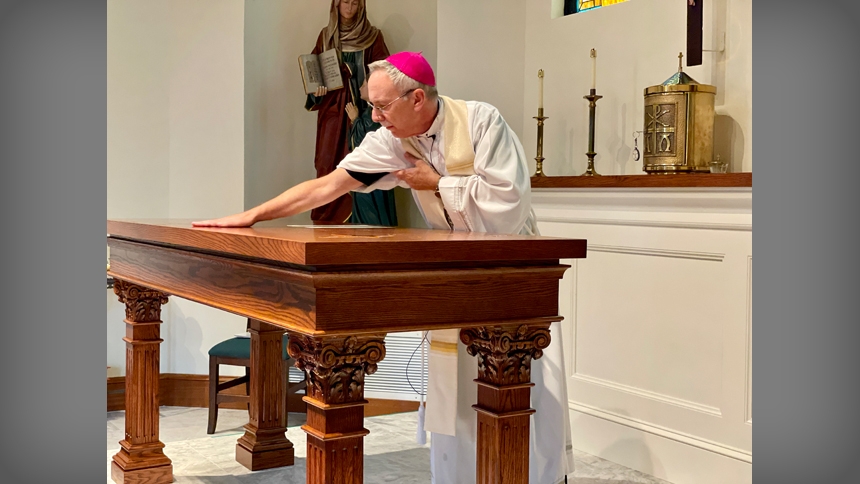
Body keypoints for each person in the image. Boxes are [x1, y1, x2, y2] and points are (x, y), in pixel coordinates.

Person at [193, 51, 574, 484]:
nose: (374, 117)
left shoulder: (481, 121)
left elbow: (509, 204)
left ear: (416, 98)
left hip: (517, 277)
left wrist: (438, 183)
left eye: (382, 106)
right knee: (459, 394)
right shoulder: (392, 140)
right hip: (458, 275)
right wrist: (255, 215)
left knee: (525, 391)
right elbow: (328, 186)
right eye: (372, 106)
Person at [305, 0, 390, 224]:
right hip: (333, 111)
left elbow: (384, 73)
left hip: (361, 112)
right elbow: (313, 73)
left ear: (361, 6)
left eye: (355, 3)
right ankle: (327, 222)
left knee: (361, 163)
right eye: (345, 2)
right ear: (336, 5)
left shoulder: (372, 36)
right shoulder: (326, 37)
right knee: (327, 162)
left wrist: (355, 75)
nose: (349, 8)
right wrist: (318, 90)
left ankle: (360, 221)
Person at [345, 78, 397, 226]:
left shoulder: (374, 114)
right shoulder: (367, 112)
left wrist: (355, 120)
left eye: (363, 84)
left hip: (374, 173)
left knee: (372, 213)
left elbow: (369, 142)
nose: (360, 87)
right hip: (365, 172)